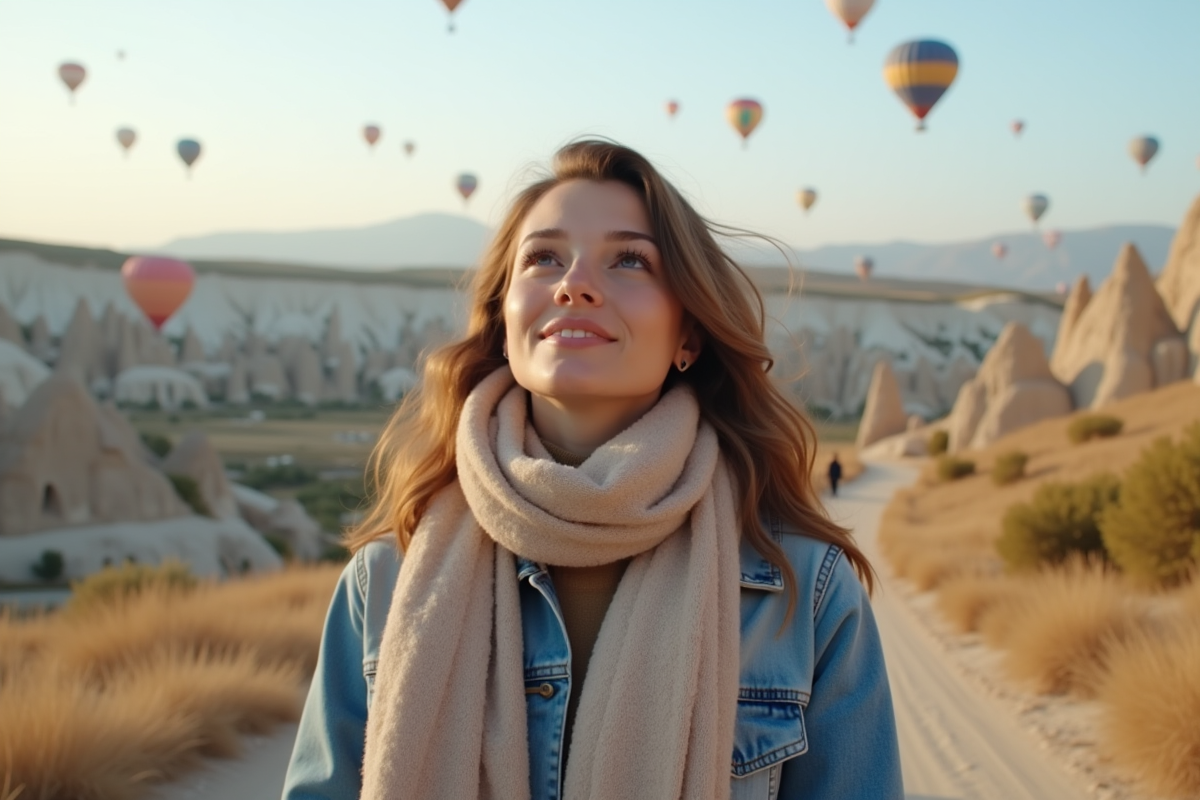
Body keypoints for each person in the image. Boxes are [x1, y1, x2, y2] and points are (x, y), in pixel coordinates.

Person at [282, 140, 902, 800]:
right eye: (543, 257)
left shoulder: (804, 597)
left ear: (688, 335)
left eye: (629, 260)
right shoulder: (387, 584)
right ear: (504, 315)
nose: (573, 284)